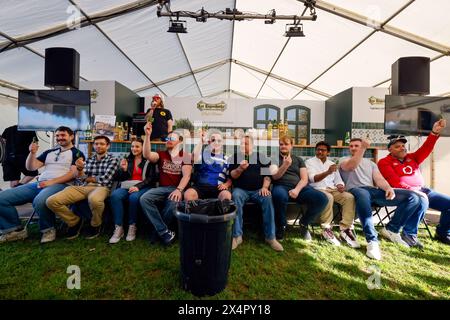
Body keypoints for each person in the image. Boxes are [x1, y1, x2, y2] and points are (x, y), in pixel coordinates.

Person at [339, 138, 425, 260]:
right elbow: (351, 167)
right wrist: (363, 148)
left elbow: (379, 179)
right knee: (363, 194)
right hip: (355, 190)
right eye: (351, 146)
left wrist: (388, 188)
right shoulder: (343, 160)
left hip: (373, 191)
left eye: (356, 145)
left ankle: (392, 229)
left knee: (413, 197)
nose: (353, 148)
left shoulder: (371, 163)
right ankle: (372, 241)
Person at [0, 126, 84, 244]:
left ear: (71, 136)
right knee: (2, 198)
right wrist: (32, 153)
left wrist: (51, 182)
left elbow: (73, 174)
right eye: (58, 136)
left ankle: (48, 229)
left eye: (63, 135)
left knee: (40, 200)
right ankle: (14, 231)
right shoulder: (49, 152)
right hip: (40, 184)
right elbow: (31, 167)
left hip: (62, 185)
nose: (60, 138)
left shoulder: (77, 153)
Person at [378, 119, 449, 245]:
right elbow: (394, 181)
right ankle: (409, 235)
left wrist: (434, 133)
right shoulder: (384, 162)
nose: (402, 148)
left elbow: (426, 148)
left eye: (403, 146)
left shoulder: (412, 157)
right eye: (397, 146)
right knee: (421, 199)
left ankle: (443, 233)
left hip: (423, 190)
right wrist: (414, 191)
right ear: (390, 150)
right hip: (404, 193)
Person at [46, 135, 119, 240]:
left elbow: (105, 180)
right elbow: (80, 179)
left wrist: (87, 178)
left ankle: (95, 224)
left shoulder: (113, 160)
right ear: (93, 145)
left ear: (108, 146)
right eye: (96, 144)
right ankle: (74, 221)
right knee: (52, 201)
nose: (98, 146)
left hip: (102, 188)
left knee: (94, 199)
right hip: (84, 187)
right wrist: (80, 169)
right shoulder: (89, 159)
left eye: (102, 144)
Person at [228, 134, 283, 252]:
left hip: (258, 190)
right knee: (235, 196)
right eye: (241, 143)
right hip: (241, 190)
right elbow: (232, 176)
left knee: (267, 197)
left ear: (252, 145)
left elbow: (267, 175)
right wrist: (240, 169)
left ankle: (270, 237)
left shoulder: (260, 157)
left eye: (246, 143)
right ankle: (237, 236)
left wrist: (265, 187)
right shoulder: (235, 157)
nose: (243, 145)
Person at [140, 123, 192, 246]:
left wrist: (179, 190)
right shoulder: (161, 154)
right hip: (163, 188)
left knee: (171, 205)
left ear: (180, 141)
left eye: (172, 138)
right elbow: (147, 155)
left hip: (177, 188)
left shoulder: (185, 156)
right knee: (145, 198)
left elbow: (187, 175)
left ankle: (157, 233)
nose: (169, 140)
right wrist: (147, 136)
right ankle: (164, 232)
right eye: (167, 138)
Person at [271, 136, 328, 242]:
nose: (283, 146)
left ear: (291, 145)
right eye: (281, 144)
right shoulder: (273, 159)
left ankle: (304, 222)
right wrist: (285, 165)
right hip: (281, 187)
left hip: (300, 188)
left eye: (286, 144)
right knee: (278, 196)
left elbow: (304, 179)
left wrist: (297, 190)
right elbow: (275, 177)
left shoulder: (298, 160)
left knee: (322, 198)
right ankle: (281, 226)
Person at [305, 141, 359, 248]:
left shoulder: (331, 164)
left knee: (349, 197)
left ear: (328, 152)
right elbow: (313, 179)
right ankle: (326, 228)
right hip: (317, 189)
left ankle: (345, 229)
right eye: (318, 149)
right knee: (328, 197)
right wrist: (327, 172)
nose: (320, 151)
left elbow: (338, 179)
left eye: (323, 150)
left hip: (332, 189)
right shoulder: (309, 162)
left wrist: (340, 185)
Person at [109, 139, 157, 244]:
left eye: (137, 146)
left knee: (134, 198)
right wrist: (123, 170)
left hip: (143, 186)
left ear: (143, 147)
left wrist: (138, 187)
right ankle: (119, 228)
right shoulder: (127, 159)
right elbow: (117, 177)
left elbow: (151, 178)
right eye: (132, 146)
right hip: (127, 186)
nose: (134, 149)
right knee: (115, 196)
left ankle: (132, 226)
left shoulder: (149, 160)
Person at [184, 129, 232, 201]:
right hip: (199, 187)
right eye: (213, 140)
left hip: (217, 188)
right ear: (209, 142)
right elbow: (194, 157)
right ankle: (194, 212)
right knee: (188, 194)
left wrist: (226, 185)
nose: (216, 142)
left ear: (222, 143)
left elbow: (230, 178)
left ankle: (221, 211)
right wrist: (201, 141)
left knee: (226, 195)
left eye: (219, 141)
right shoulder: (203, 154)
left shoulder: (227, 159)